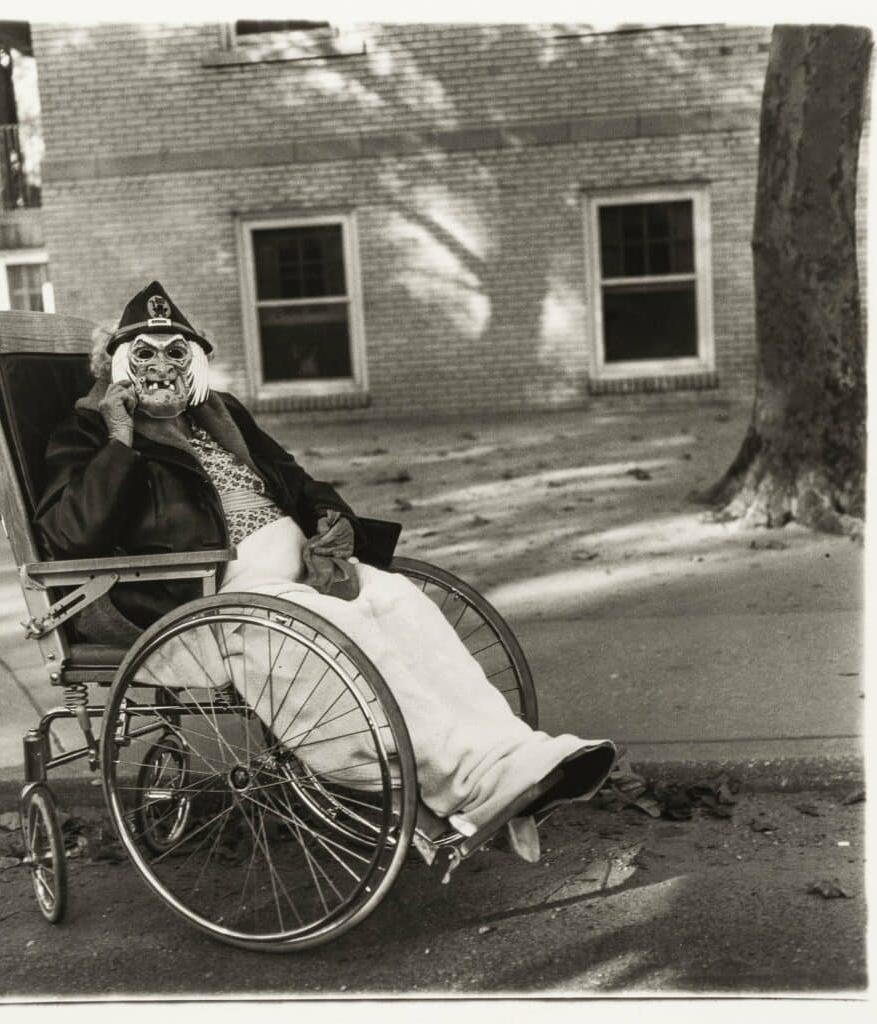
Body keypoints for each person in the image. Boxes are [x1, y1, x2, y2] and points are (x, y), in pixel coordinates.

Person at [36, 282, 615, 851]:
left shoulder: (219, 414)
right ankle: (466, 782)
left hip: (296, 577)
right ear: (113, 366)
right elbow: (73, 534)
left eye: (175, 352)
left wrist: (329, 520)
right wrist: (119, 443)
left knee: (399, 603)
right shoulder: (89, 431)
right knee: (354, 639)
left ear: (196, 362)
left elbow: (298, 482)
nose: (160, 365)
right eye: (143, 353)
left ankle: (515, 756)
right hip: (201, 598)